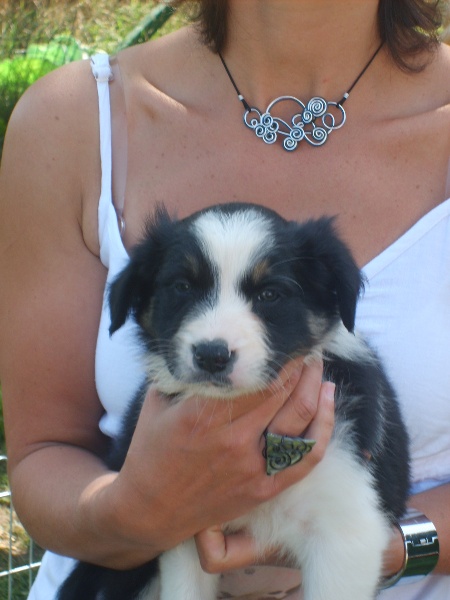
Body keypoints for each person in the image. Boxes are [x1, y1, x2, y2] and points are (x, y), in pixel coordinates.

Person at [0, 0, 449, 598]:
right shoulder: (74, 118)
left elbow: (353, 529)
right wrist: (138, 513)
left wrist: (385, 543)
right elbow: (43, 455)